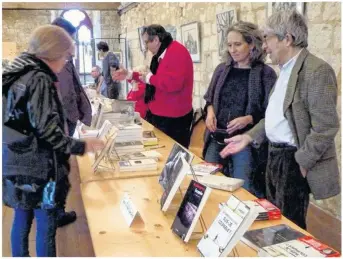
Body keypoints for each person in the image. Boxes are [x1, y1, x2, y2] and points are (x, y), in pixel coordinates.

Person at [220, 10, 340, 230]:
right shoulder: (285, 69)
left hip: (292, 159)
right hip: (273, 156)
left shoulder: (316, 71)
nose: (264, 46)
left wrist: (302, 163)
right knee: (275, 222)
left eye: (267, 38)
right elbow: (276, 117)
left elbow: (326, 126)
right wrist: (248, 137)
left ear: (287, 39)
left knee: (289, 228)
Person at [2, 25, 104, 257]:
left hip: (15, 160)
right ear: (53, 52)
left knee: (21, 219)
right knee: (46, 225)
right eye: (67, 56)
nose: (66, 62)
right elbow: (47, 132)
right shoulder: (38, 78)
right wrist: (82, 145)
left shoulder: (15, 72)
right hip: (38, 167)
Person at [203, 21, 277, 197]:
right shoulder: (221, 69)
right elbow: (209, 99)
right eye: (229, 45)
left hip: (245, 142)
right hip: (216, 137)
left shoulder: (266, 74)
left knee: (243, 188)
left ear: (251, 44)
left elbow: (271, 112)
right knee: (207, 183)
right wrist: (210, 112)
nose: (232, 50)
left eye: (238, 44)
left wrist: (249, 118)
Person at [113, 24, 194, 148]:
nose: (145, 47)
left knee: (171, 154)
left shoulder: (177, 52)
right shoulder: (162, 53)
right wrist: (129, 74)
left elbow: (173, 84)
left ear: (156, 40)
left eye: (146, 42)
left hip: (173, 119)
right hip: (159, 115)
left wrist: (150, 78)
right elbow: (150, 78)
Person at [52, 17, 93, 228]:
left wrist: (82, 113)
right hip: (58, 124)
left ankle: (56, 210)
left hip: (67, 120)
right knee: (57, 171)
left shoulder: (62, 56)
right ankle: (55, 213)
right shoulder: (50, 60)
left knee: (61, 169)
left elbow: (74, 86)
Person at [52, 17, 92, 137]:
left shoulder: (64, 56)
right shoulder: (54, 58)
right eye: (70, 38)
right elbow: (62, 92)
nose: (72, 42)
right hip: (62, 119)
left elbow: (71, 84)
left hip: (69, 117)